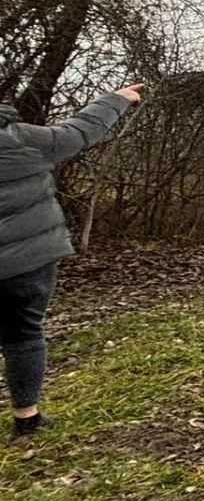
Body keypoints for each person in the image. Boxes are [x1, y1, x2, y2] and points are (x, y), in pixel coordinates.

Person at [0, 84, 144, 440]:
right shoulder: (20, 139)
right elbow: (78, 132)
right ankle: (26, 419)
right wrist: (115, 100)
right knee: (23, 334)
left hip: (28, 259)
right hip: (28, 259)